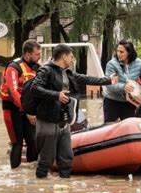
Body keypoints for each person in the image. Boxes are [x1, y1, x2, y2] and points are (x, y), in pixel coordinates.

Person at [29, 44, 117, 179]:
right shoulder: (45, 71)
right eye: (70, 56)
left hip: (64, 120)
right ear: (64, 56)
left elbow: (88, 79)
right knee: (46, 158)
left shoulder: (69, 73)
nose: (72, 58)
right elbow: (35, 88)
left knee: (66, 156)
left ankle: (65, 186)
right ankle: (41, 186)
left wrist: (108, 80)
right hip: (48, 119)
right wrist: (56, 95)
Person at [0, 39, 41, 169]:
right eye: (37, 54)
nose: (39, 57)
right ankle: (15, 175)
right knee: (17, 143)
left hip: (29, 111)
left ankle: (30, 175)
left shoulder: (37, 68)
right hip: (13, 110)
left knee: (32, 142)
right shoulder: (13, 67)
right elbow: (13, 91)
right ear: (28, 54)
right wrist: (26, 110)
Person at [103, 39, 141, 122]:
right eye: (117, 51)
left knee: (129, 128)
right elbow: (110, 84)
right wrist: (123, 87)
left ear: (129, 52)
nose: (118, 54)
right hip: (112, 101)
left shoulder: (138, 62)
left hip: (129, 102)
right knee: (109, 128)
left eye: (121, 52)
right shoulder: (111, 64)